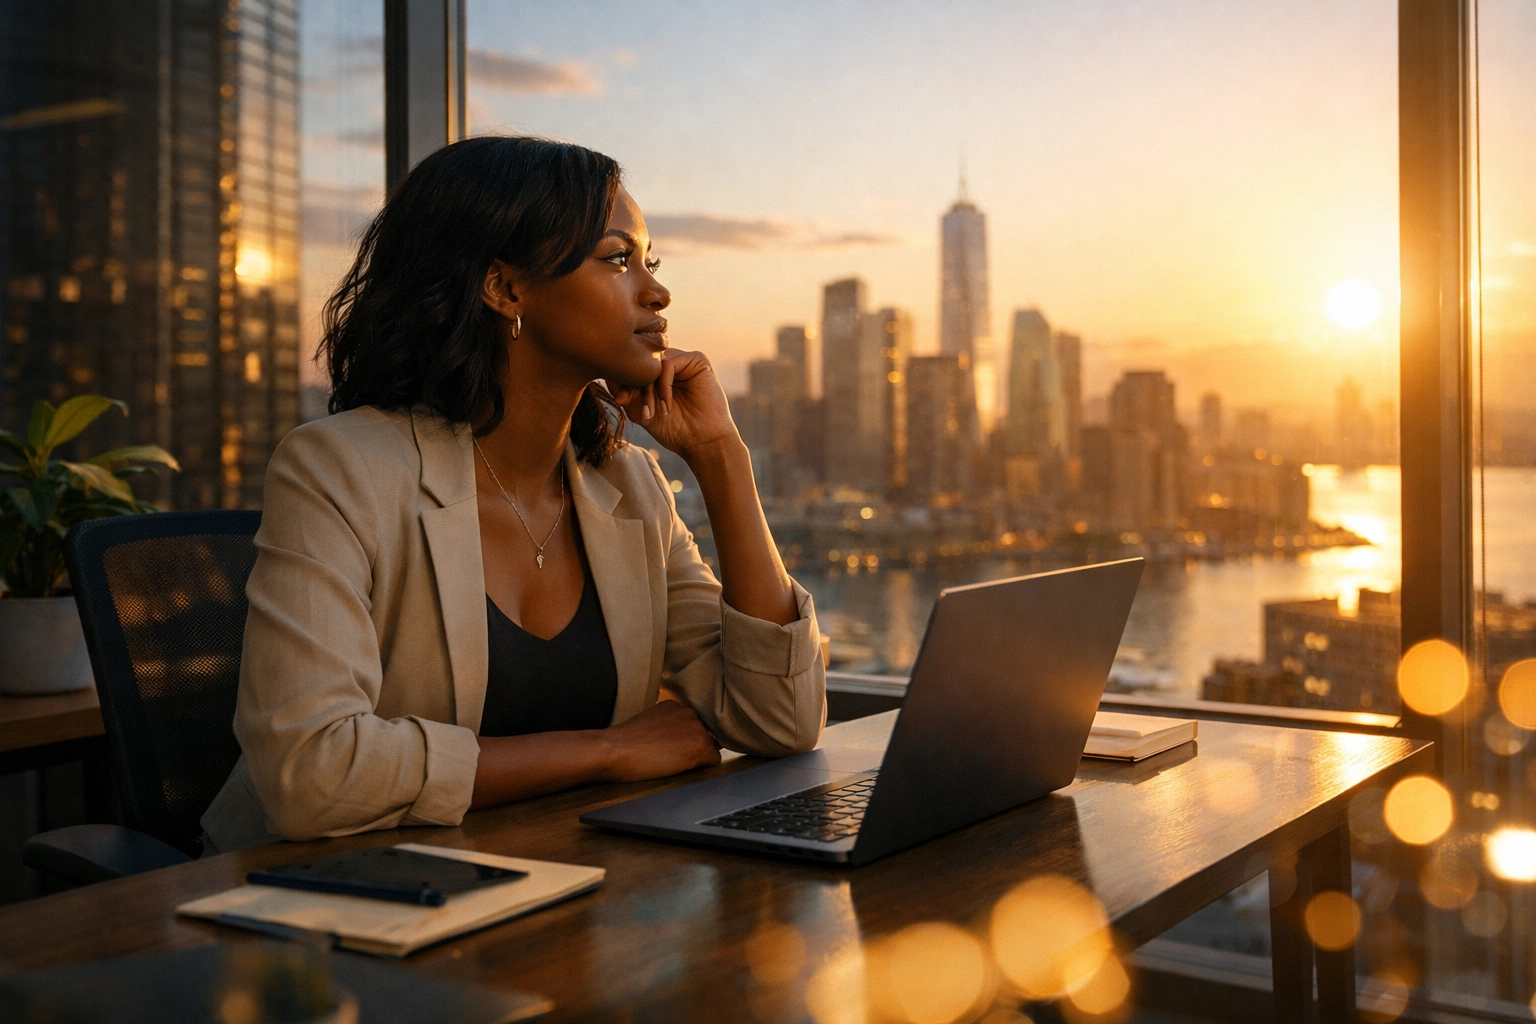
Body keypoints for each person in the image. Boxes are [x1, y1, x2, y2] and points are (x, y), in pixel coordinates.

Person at [200, 136, 826, 853]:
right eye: (618, 259)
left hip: (547, 888)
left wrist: (722, 458)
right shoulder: (338, 468)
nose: (657, 291)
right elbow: (310, 775)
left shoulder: (628, 486)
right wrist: (607, 750)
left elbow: (779, 719)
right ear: (505, 289)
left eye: (649, 262)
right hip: (318, 907)